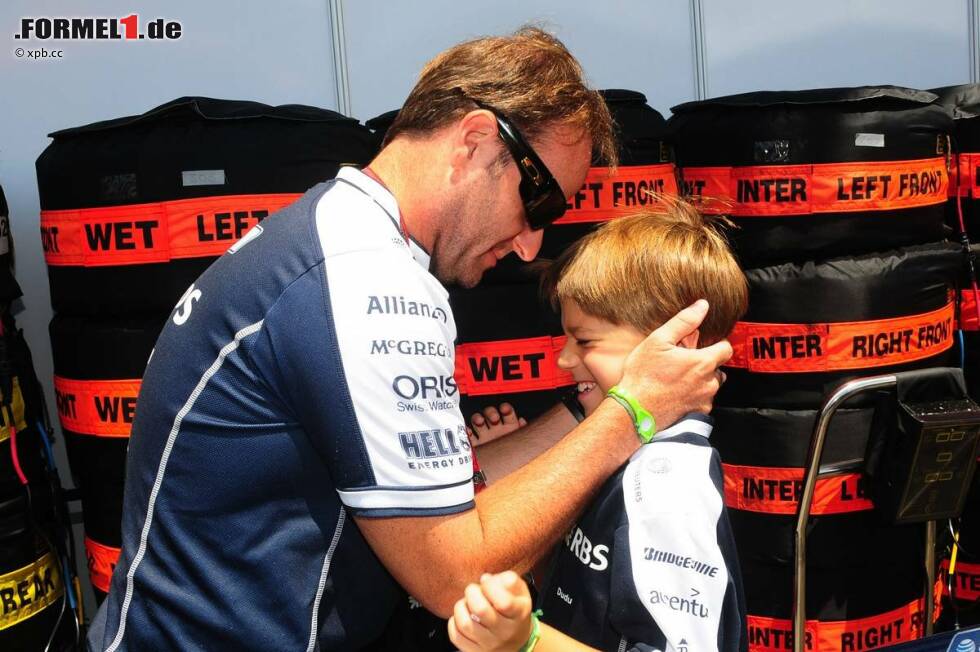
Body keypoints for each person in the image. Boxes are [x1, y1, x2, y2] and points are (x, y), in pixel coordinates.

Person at [87, 28, 732, 651]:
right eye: (538, 203)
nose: (533, 242)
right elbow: (455, 577)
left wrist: (587, 405)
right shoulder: (368, 283)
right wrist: (634, 411)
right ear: (476, 141)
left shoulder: (335, 235)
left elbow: (449, 496)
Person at [448, 204, 750, 652]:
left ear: (679, 344)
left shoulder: (667, 488)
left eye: (585, 340)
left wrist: (526, 641)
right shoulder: (620, 452)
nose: (564, 359)